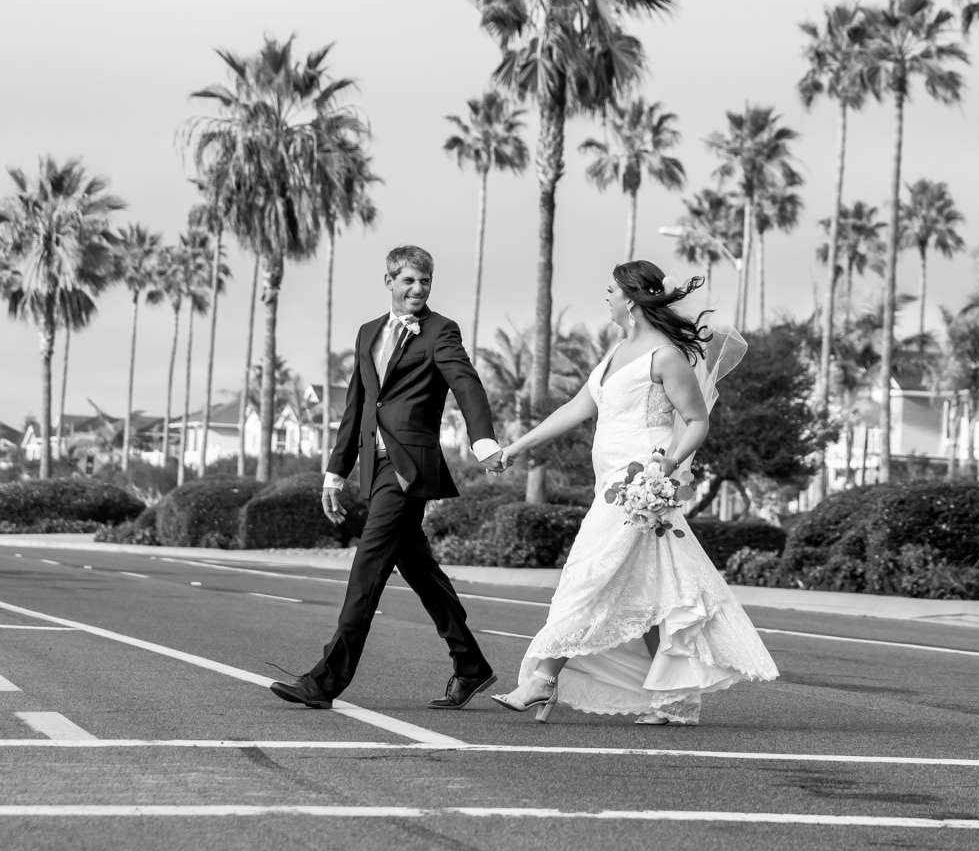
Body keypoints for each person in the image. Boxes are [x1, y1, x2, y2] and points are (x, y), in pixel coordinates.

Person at [488, 261, 778, 725]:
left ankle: (543, 678)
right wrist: (516, 447)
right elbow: (576, 408)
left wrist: (667, 466)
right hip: (610, 487)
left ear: (631, 299)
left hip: (639, 487)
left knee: (589, 576)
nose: (605, 297)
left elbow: (698, 420)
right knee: (652, 595)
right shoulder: (616, 352)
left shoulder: (664, 356)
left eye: (610, 291)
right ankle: (674, 700)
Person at [267, 244, 499, 713]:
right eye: (409, 281)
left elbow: (466, 383)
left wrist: (483, 440)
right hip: (374, 470)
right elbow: (357, 406)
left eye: (426, 281)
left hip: (408, 469)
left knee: (367, 567)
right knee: (418, 568)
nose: (418, 289)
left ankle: (326, 680)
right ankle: (470, 663)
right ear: (389, 281)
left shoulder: (440, 331)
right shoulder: (367, 333)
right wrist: (335, 472)